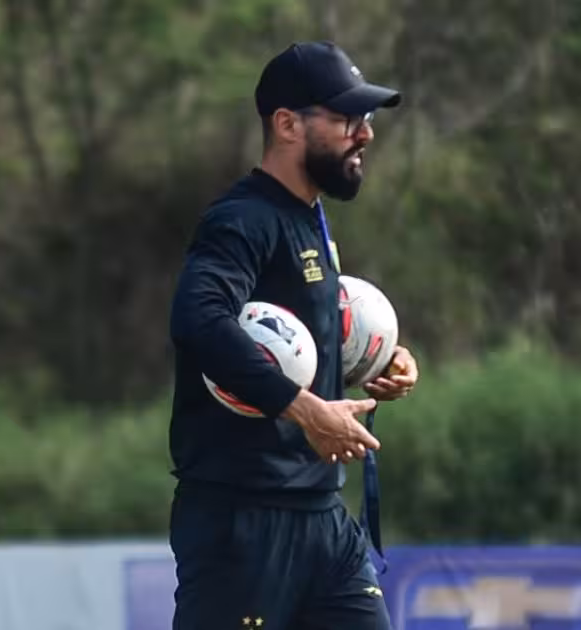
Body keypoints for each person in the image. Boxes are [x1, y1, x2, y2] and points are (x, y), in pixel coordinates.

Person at [166, 41, 419, 630]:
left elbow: (295, 344)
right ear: (287, 124)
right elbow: (200, 319)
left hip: (323, 517)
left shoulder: (309, 219)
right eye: (347, 118)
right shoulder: (241, 220)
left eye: (367, 118)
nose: (365, 134)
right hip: (242, 520)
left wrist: (380, 361)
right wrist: (307, 411)